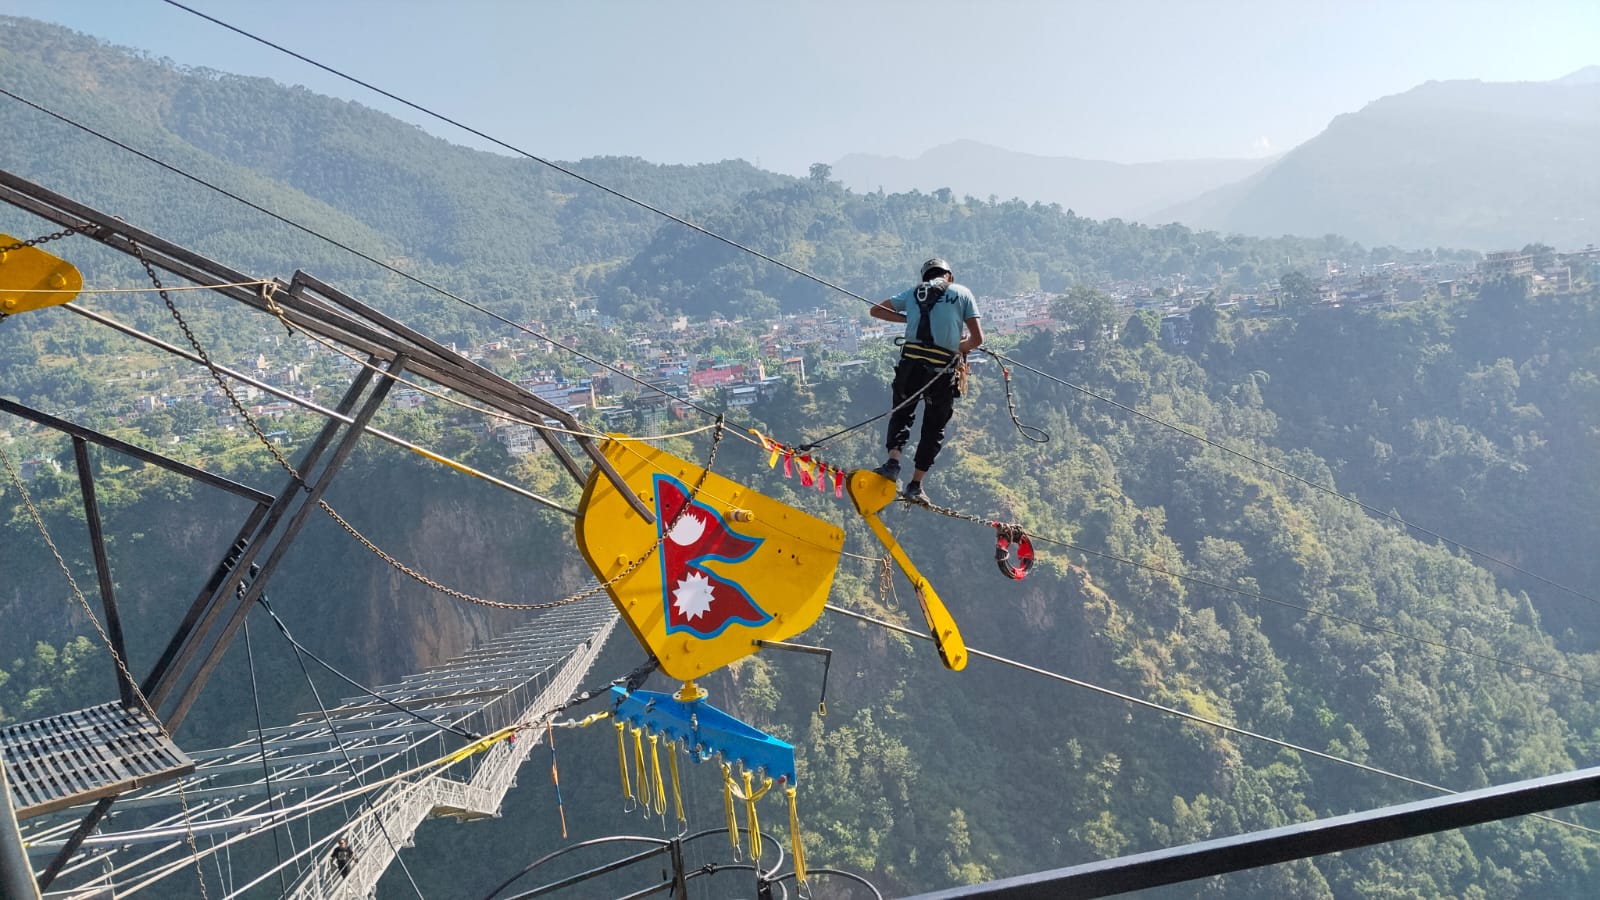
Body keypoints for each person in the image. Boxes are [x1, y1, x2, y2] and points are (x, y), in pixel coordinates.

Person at [868, 257, 983, 505]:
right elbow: (977, 339)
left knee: (902, 413)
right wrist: (957, 347)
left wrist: (909, 318)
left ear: (926, 277)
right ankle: (916, 484)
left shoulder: (914, 293)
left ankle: (893, 463)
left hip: (910, 366)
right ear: (949, 276)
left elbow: (875, 310)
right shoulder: (962, 293)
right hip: (941, 371)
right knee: (934, 427)